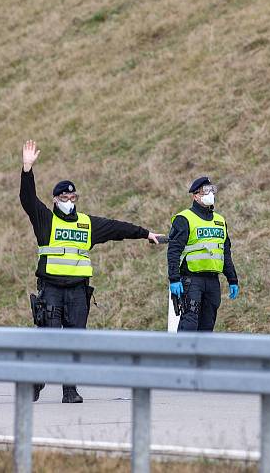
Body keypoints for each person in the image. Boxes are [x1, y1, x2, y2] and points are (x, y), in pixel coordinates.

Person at [19, 140, 163, 403]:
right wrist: (27, 170)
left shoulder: (87, 224)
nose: (69, 202)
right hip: (50, 290)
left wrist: (145, 234)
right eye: (64, 198)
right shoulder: (45, 220)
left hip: (77, 291)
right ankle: (36, 380)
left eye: (73, 198)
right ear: (55, 200)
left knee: (75, 342)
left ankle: (70, 390)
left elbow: (117, 228)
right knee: (48, 342)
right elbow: (27, 200)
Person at [167, 176, 239, 332]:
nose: (210, 194)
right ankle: (182, 355)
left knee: (207, 325)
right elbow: (173, 250)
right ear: (195, 196)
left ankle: (200, 357)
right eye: (205, 191)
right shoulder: (184, 219)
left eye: (212, 190)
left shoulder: (220, 220)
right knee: (190, 322)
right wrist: (173, 278)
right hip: (191, 280)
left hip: (213, 281)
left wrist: (232, 279)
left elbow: (225, 252)